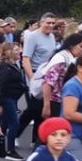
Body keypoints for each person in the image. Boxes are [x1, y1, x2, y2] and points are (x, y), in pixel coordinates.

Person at [18, 13, 57, 147]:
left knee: (40, 108)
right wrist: (32, 79)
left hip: (47, 74)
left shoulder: (52, 37)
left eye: (53, 23)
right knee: (34, 108)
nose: (50, 26)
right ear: (41, 23)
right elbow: (26, 59)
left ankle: (36, 139)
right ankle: (16, 133)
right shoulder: (32, 36)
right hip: (35, 74)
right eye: (48, 23)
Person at [0, 42, 26, 161]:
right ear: (8, 52)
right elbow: (0, 86)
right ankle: (10, 150)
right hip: (7, 98)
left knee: (5, 124)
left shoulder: (13, 64)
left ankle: (3, 149)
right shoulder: (3, 66)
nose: (20, 52)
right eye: (17, 50)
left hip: (12, 97)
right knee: (14, 123)